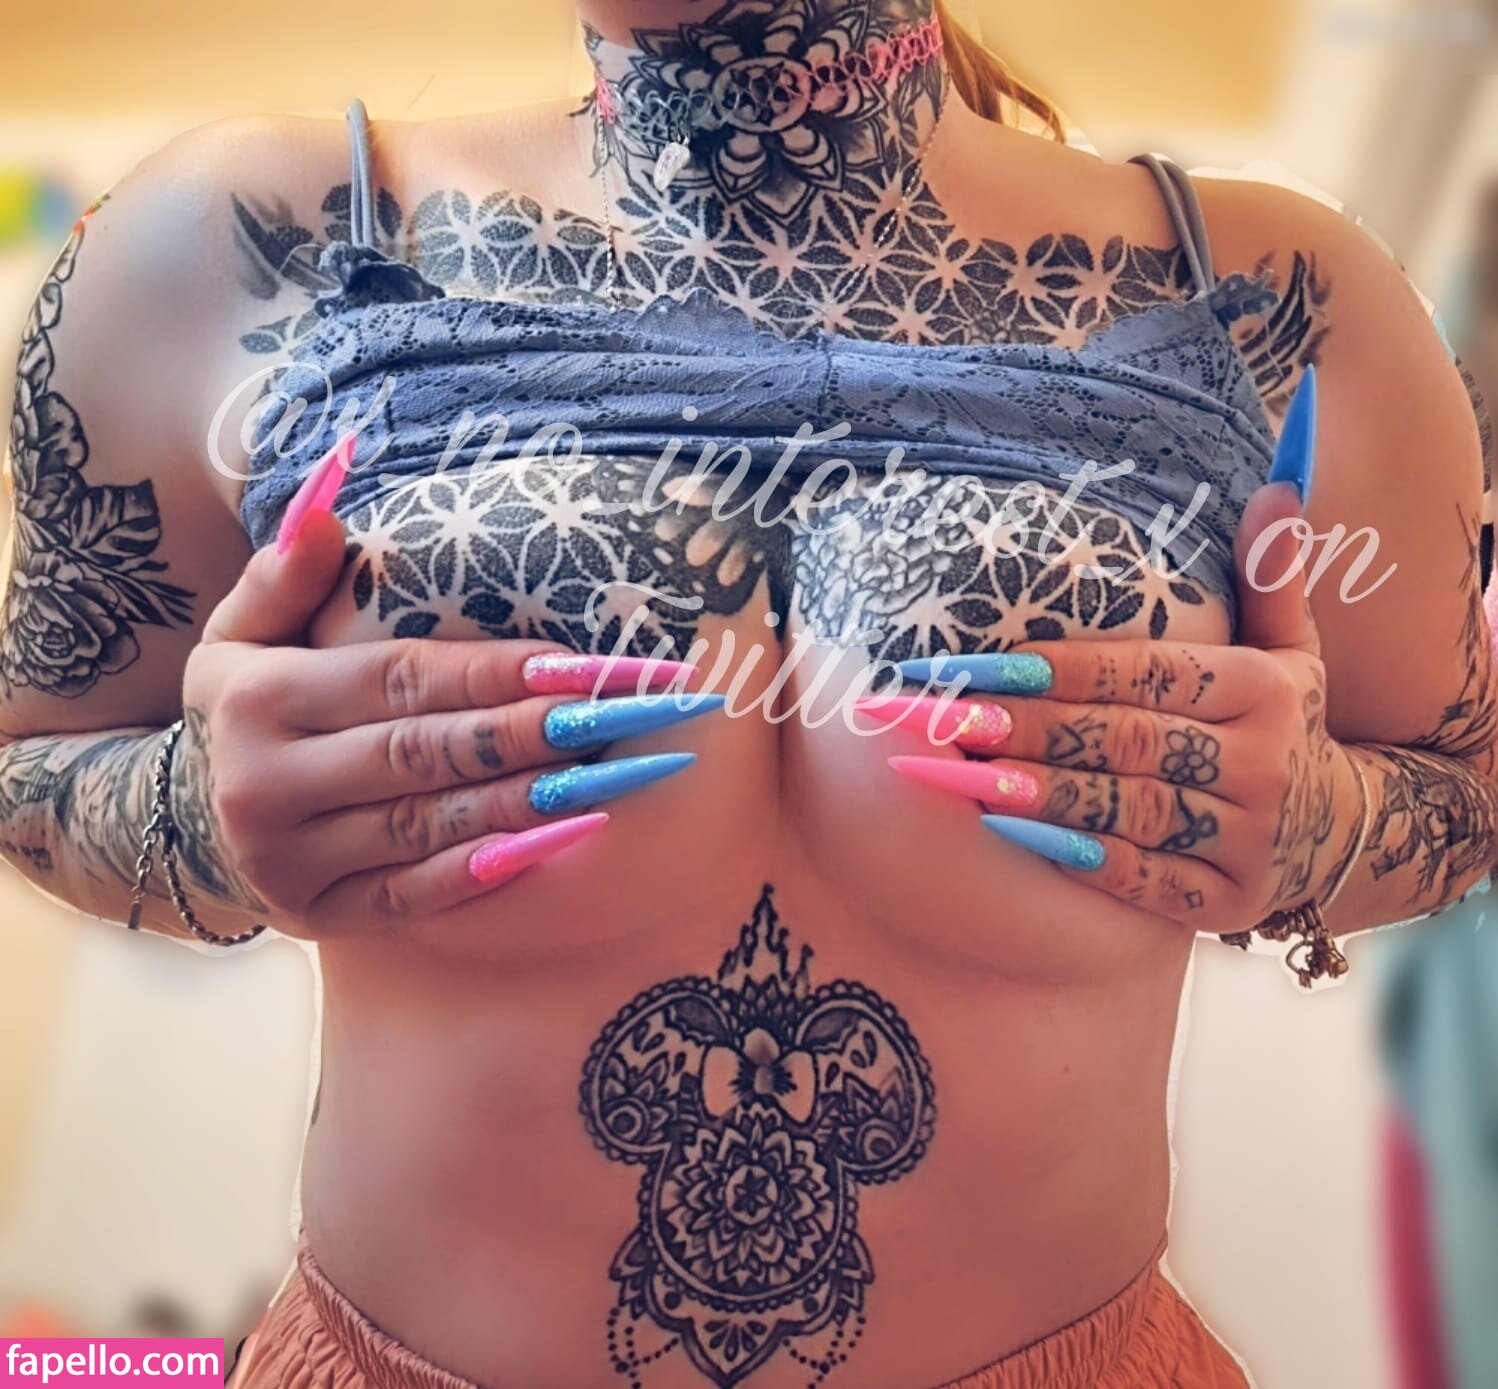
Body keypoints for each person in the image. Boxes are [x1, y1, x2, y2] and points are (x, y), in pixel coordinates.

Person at [2, 2, 1493, 1385]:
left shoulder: (1289, 305)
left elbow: (1468, 786)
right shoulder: (230, 248)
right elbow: (27, 762)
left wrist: (1327, 820)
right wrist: (188, 811)